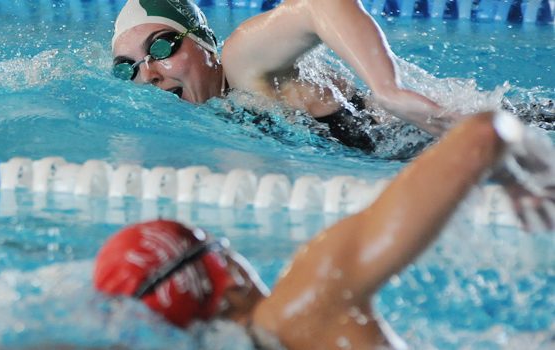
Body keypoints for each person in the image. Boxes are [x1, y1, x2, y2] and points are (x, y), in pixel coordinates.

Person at [93, 110, 555, 349]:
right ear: (227, 277)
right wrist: (521, 170)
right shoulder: (305, 302)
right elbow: (482, 135)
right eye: (222, 247)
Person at [111, 0, 459, 151]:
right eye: (128, 67)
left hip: (445, 133)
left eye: (161, 48)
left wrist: (388, 89)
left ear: (207, 44)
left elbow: (318, 5)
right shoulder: (215, 108)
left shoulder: (240, 63)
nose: (149, 74)